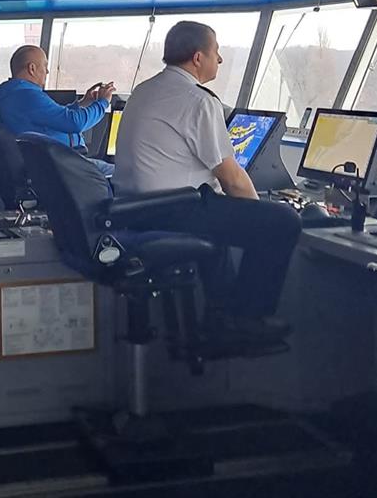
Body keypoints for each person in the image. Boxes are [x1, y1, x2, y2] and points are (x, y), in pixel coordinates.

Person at [112, 21, 301, 340]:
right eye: (216, 52)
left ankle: (220, 313)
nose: (221, 59)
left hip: (134, 208)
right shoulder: (198, 100)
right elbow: (232, 179)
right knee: (282, 221)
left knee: (218, 209)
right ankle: (246, 319)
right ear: (198, 58)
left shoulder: (144, 90)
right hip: (171, 210)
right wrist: (259, 211)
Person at [0, 45, 116, 177]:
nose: (47, 71)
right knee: (121, 174)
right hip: (59, 166)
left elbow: (57, 115)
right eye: (44, 66)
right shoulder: (28, 97)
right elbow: (75, 123)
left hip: (48, 163)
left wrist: (83, 103)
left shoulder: (12, 95)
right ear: (32, 68)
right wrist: (103, 102)